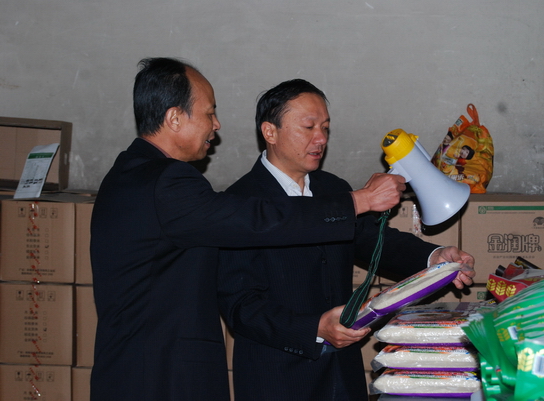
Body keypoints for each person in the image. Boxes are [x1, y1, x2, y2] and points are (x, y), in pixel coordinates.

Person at [90, 59, 407, 401]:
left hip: (136, 369)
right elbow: (255, 219)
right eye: (209, 113)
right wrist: (358, 201)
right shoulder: (167, 181)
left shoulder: (129, 173)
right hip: (161, 377)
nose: (216, 124)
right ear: (175, 118)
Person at [217, 79, 476, 401]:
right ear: (270, 132)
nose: (321, 139)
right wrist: (314, 327)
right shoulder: (239, 203)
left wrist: (435, 257)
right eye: (308, 127)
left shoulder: (333, 189)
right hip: (279, 377)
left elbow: (373, 239)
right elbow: (241, 306)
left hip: (343, 373)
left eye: (325, 127)